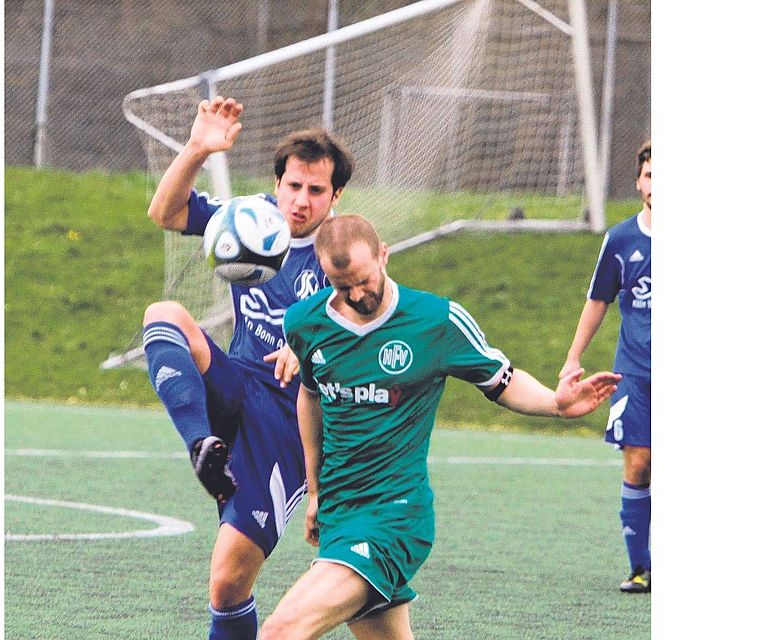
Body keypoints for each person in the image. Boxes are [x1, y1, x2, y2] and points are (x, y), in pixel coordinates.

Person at [260, 214, 622, 639]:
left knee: (279, 632)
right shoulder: (305, 324)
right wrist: (316, 490)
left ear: (383, 255)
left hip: (395, 518)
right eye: (343, 287)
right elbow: (311, 395)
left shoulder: (436, 320)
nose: (358, 294)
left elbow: (501, 380)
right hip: (340, 516)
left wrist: (555, 404)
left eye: (364, 279)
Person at [141, 95, 354, 639]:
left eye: (316, 190)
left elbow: (369, 318)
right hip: (236, 383)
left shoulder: (345, 249)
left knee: (228, 584)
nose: (301, 201)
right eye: (293, 186)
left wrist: (309, 344)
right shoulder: (251, 219)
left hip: (287, 422)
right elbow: (166, 213)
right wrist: (197, 148)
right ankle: (201, 446)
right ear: (277, 183)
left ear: (336, 196)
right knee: (164, 315)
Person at [560, 140, 651, 593]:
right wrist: (573, 359)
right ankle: (640, 567)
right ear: (639, 182)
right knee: (638, 462)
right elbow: (598, 301)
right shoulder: (620, 240)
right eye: (651, 175)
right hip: (634, 372)